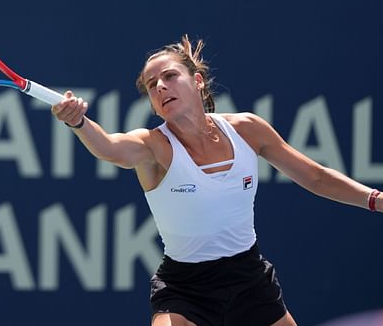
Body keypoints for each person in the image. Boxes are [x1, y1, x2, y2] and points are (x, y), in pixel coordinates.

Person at [51, 35, 382, 326]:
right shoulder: (153, 147)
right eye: (152, 86)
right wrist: (79, 123)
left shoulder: (248, 129)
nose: (161, 86)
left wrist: (374, 199)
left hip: (249, 280)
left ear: (197, 81)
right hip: (185, 288)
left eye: (169, 76)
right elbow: (110, 148)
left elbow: (317, 177)